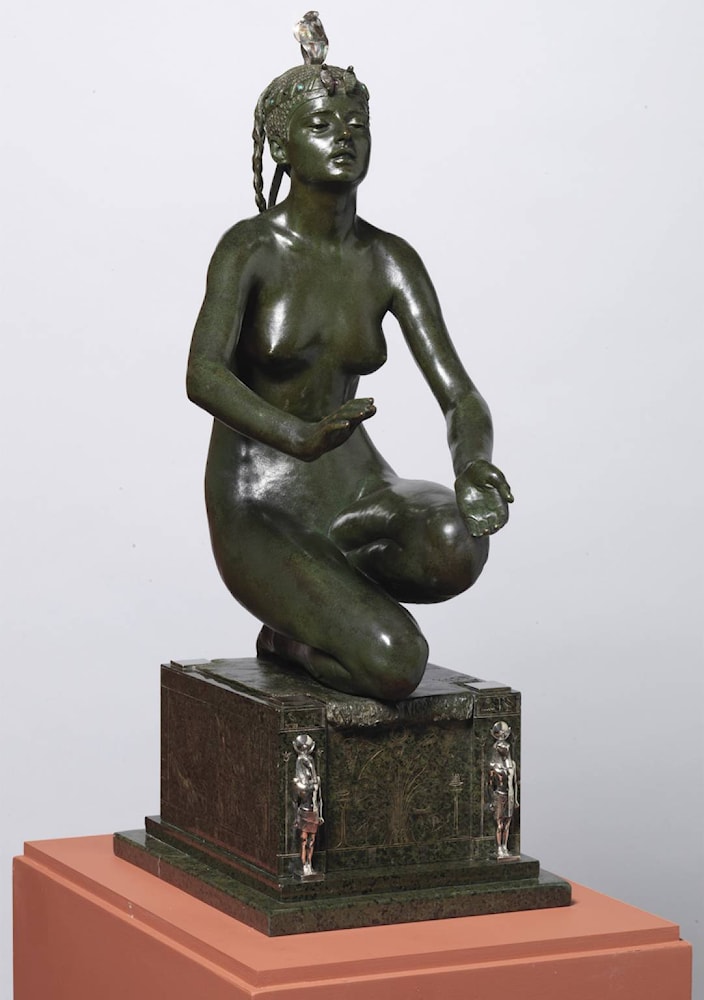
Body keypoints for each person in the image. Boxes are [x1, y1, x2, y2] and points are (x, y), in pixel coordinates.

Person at [186, 13, 513, 701]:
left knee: (459, 541)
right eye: (321, 125)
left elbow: (460, 396)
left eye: (357, 125)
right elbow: (203, 374)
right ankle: (295, 636)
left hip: (357, 487)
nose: (344, 137)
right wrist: (297, 435)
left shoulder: (388, 259)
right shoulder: (250, 249)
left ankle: (333, 604)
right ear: (282, 146)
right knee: (395, 663)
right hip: (261, 503)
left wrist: (473, 463)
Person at [292, 734, 324, 877]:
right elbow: (296, 800)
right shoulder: (299, 783)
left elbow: (319, 799)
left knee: (311, 841)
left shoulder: (316, 782)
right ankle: (303, 864)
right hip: (304, 811)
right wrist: (296, 818)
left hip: (313, 812)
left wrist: (320, 815)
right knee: (304, 840)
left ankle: (308, 864)